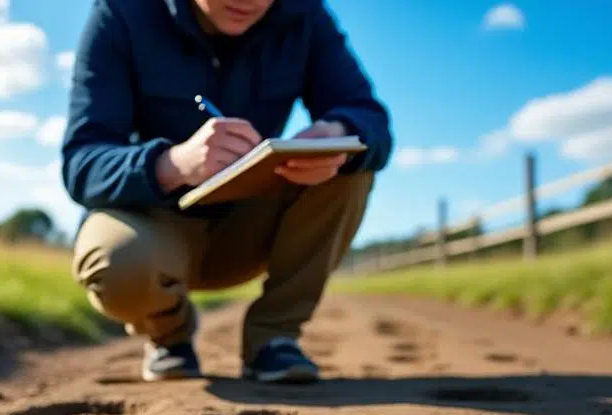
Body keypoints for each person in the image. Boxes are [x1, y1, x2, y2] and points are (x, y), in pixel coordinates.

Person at [60, 0, 393, 383]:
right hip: (154, 224)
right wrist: (174, 163)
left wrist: (336, 132)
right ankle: (170, 335)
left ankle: (274, 338)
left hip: (251, 227)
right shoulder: (121, 12)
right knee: (113, 262)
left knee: (351, 161)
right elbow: (81, 164)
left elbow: (372, 121)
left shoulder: (307, 15)